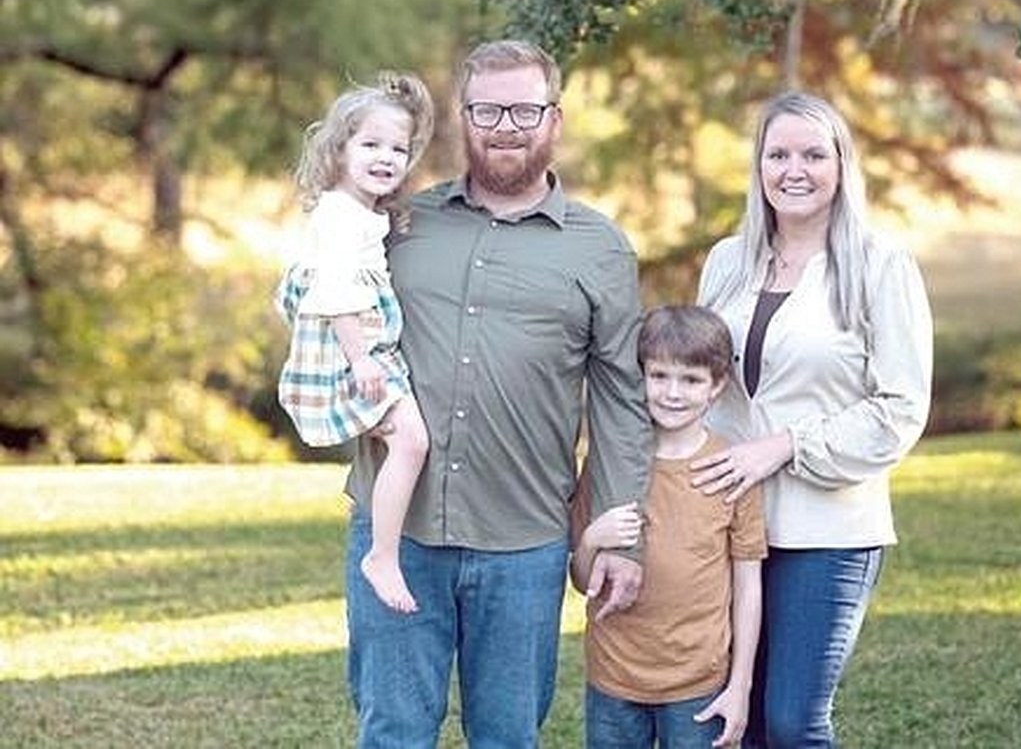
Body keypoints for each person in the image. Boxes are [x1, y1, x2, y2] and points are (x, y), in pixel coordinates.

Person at [343, 39, 654, 748]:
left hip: (526, 543)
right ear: (463, 117)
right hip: (398, 532)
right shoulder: (399, 224)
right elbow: (331, 308)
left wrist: (622, 538)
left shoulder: (601, 248)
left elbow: (622, 403)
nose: (505, 126)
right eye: (487, 110)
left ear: (555, 118)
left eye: (524, 110)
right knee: (392, 731)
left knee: (508, 736)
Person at [693, 91, 933, 748]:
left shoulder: (880, 265)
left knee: (791, 722)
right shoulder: (726, 262)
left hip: (828, 528)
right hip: (728, 524)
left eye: (813, 155)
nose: (793, 170)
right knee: (733, 721)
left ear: (841, 165)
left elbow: (900, 409)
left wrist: (787, 445)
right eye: (778, 155)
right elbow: (698, 383)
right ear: (758, 166)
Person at [570, 305, 767, 749]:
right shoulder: (607, 465)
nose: (673, 393)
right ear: (640, 376)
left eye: (691, 379)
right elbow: (583, 581)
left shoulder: (731, 469)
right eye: (659, 376)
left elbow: (748, 587)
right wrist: (592, 539)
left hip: (699, 682)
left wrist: (740, 686)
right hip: (614, 678)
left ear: (717, 385)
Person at [275, 71, 435, 613]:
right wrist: (362, 358)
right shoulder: (340, 215)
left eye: (398, 149)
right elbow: (336, 290)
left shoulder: (359, 211)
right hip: (352, 349)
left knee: (408, 440)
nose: (386, 157)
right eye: (371, 145)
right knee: (411, 440)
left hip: (363, 345)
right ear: (339, 149)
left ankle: (384, 554)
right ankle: (382, 556)